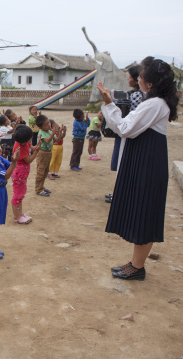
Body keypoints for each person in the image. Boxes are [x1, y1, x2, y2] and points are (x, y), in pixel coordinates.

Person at [97, 56, 177, 281]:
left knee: (145, 214)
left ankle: (137, 267)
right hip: (147, 161)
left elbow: (125, 128)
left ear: (149, 83)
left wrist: (109, 104)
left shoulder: (154, 104)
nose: (137, 78)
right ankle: (135, 263)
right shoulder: (155, 102)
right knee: (142, 212)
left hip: (147, 163)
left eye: (140, 75)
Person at [105, 65, 144, 203]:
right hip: (128, 133)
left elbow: (126, 116)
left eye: (130, 77)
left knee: (123, 165)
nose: (128, 79)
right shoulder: (137, 95)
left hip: (126, 133)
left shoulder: (137, 96)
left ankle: (120, 195)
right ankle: (119, 193)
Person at [11, 125, 40, 224]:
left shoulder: (24, 142)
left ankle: (20, 214)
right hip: (20, 172)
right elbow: (29, 159)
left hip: (23, 173)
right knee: (17, 195)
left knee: (21, 194)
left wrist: (37, 146)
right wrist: (37, 151)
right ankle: (17, 217)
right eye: (30, 137)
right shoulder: (20, 147)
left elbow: (32, 148)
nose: (31, 138)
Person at [34, 115, 64, 196]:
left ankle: (42, 187)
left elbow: (57, 140)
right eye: (46, 124)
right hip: (42, 154)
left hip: (48, 153)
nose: (49, 125)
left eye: (49, 123)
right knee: (40, 172)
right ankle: (38, 189)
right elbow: (47, 141)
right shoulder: (41, 133)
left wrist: (61, 132)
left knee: (45, 172)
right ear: (41, 126)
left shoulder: (50, 131)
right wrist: (53, 133)